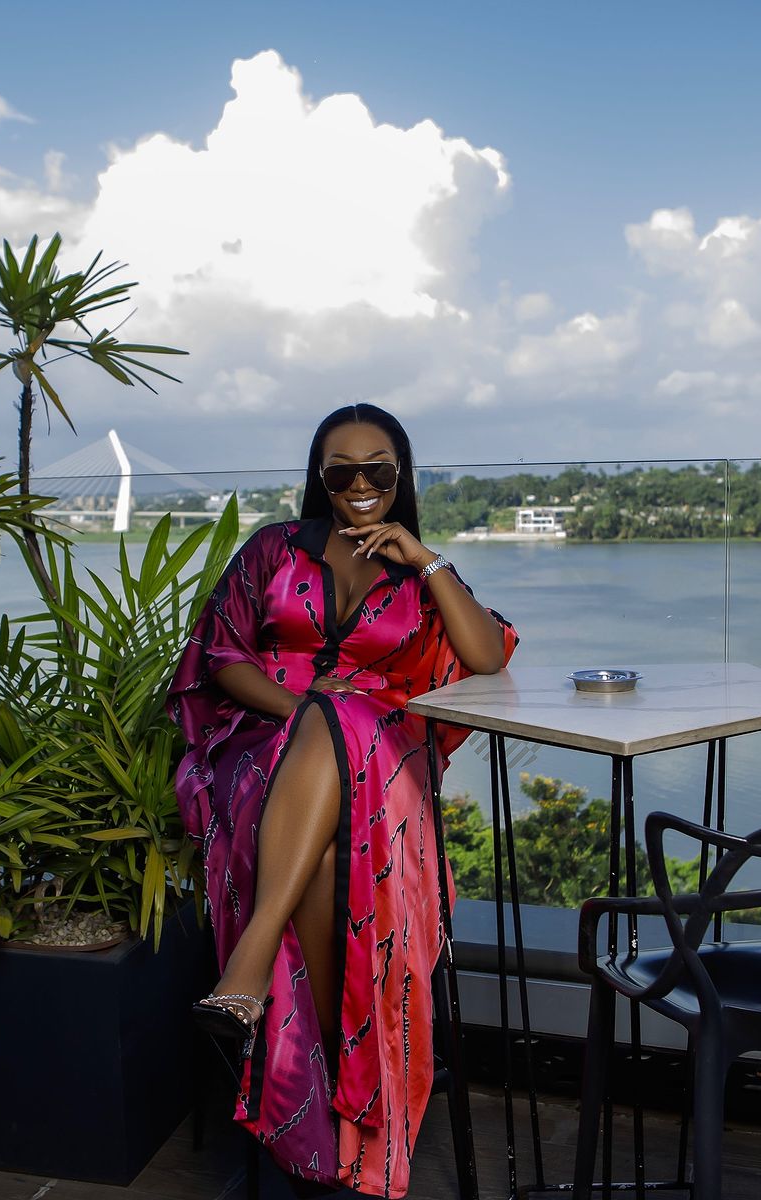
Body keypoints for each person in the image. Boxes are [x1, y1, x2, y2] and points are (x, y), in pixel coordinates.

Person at [168, 404, 517, 1198]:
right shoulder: (273, 549)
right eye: (341, 470)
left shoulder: (418, 572)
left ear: (402, 475)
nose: (360, 484)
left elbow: (487, 656)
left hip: (379, 762)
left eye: (379, 469)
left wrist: (424, 560)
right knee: (329, 821)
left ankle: (251, 974)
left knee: (348, 738)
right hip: (260, 744)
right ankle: (345, 1100)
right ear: (319, 476)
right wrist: (308, 715)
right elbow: (220, 654)